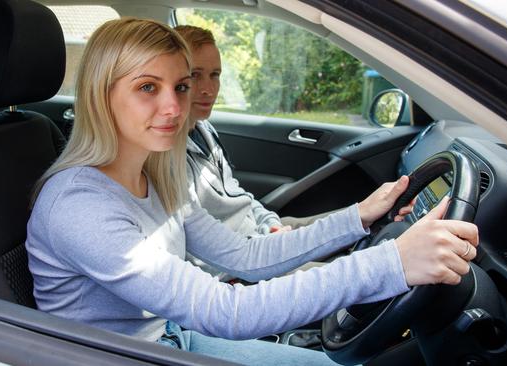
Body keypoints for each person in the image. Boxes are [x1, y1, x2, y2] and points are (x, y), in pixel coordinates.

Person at [26, 18, 478, 366]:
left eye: (181, 86)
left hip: (171, 337)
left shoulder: (159, 173)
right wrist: (391, 263)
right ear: (101, 96)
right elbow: (227, 312)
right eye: (148, 87)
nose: (176, 107)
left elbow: (245, 256)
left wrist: (357, 216)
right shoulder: (78, 205)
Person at [175, 25, 338, 237]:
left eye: (215, 74)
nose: (209, 89)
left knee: (360, 221)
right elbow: (203, 244)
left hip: (259, 232)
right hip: (241, 257)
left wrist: (271, 223)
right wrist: (267, 240)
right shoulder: (168, 154)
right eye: (195, 75)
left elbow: (235, 192)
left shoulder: (204, 129)